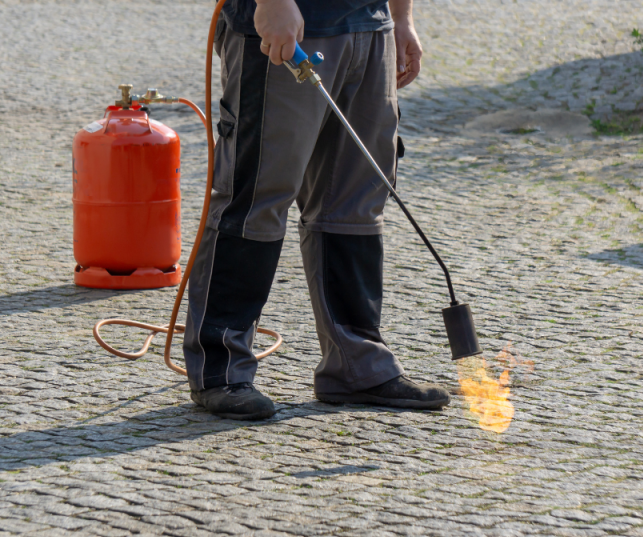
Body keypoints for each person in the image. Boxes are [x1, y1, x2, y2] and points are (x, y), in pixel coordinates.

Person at [183, 0, 450, 420]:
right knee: (256, 198)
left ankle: (357, 365)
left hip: (369, 27)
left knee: (354, 203)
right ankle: (222, 369)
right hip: (289, 24)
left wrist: (400, 18)